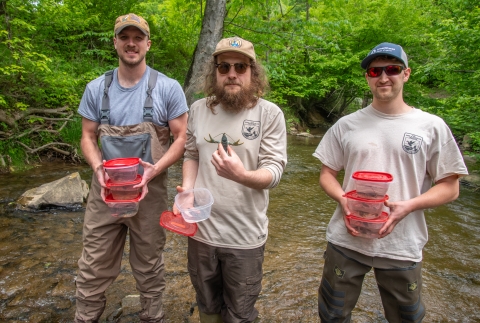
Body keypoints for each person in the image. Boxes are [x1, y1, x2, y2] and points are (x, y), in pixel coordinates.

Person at [313, 42, 468, 322]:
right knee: (332, 315)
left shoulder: (431, 127)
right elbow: (327, 174)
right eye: (375, 71)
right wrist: (343, 199)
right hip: (346, 239)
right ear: (367, 77)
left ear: (406, 74)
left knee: (406, 318)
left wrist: (408, 206)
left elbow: (450, 187)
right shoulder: (346, 125)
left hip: (402, 244)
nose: (383, 77)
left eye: (392, 69)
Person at [75, 13, 188, 323]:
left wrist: (154, 169)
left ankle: (153, 317)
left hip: (149, 194)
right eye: (124, 37)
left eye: (137, 37)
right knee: (93, 264)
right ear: (115, 43)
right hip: (104, 192)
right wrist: (97, 167)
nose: (131, 43)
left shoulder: (168, 88)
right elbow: (86, 136)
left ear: (147, 44)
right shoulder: (97, 88)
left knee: (150, 263)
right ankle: (85, 317)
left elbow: (181, 139)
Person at [174, 36, 287, 323]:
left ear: (253, 72)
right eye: (224, 67)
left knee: (240, 312)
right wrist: (187, 188)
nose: (232, 74)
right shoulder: (199, 109)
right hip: (201, 233)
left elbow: (274, 171)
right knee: (207, 305)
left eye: (240, 67)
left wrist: (242, 175)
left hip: (245, 237)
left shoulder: (269, 114)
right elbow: (190, 154)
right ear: (214, 73)